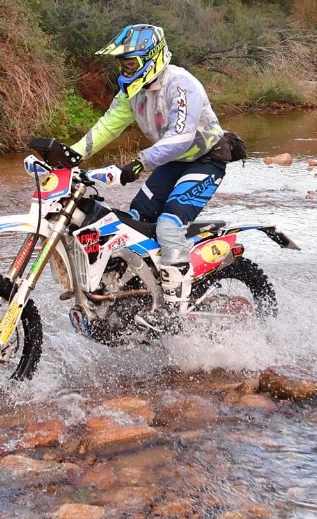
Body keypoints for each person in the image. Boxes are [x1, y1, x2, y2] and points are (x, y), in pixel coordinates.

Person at [70, 24, 227, 323]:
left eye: (131, 64)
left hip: (205, 159)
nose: (126, 70)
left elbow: (181, 137)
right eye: (123, 64)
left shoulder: (181, 84)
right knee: (135, 221)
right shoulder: (134, 92)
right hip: (171, 162)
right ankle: (144, 293)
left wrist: (138, 165)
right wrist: (72, 154)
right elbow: (107, 125)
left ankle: (173, 311)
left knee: (168, 226)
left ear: (151, 58)